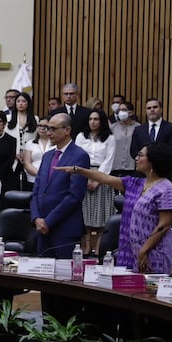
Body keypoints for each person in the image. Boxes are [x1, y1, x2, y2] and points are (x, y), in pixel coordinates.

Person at [55, 142, 172, 274]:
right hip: (129, 250)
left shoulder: (166, 189)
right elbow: (105, 178)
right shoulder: (135, 183)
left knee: (151, 285)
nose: (136, 158)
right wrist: (78, 170)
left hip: (153, 251)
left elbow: (164, 225)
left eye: (140, 155)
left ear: (153, 160)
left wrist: (144, 250)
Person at [29, 113, 90, 258]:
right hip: (41, 227)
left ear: (67, 130)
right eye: (47, 129)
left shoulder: (79, 156)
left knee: (64, 270)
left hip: (64, 228)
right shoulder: (47, 156)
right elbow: (36, 191)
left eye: (53, 129)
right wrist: (36, 218)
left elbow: (74, 196)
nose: (48, 133)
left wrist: (48, 221)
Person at [75, 109, 116, 254]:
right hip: (83, 174)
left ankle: (98, 247)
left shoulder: (110, 138)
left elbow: (109, 160)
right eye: (91, 119)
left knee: (102, 213)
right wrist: (85, 177)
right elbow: (77, 157)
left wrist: (98, 180)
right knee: (84, 213)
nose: (93, 122)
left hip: (102, 176)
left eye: (96, 119)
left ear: (102, 121)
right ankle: (86, 246)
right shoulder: (81, 136)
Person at [17, 116, 54, 186]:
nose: (42, 128)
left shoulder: (56, 144)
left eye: (45, 126)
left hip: (52, 178)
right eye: (39, 126)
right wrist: (40, 174)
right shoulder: (30, 143)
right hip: (33, 179)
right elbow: (27, 163)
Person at [109, 101, 138, 176]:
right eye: (119, 110)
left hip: (133, 167)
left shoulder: (138, 127)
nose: (121, 112)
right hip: (115, 167)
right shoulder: (112, 128)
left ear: (131, 112)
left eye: (124, 110)